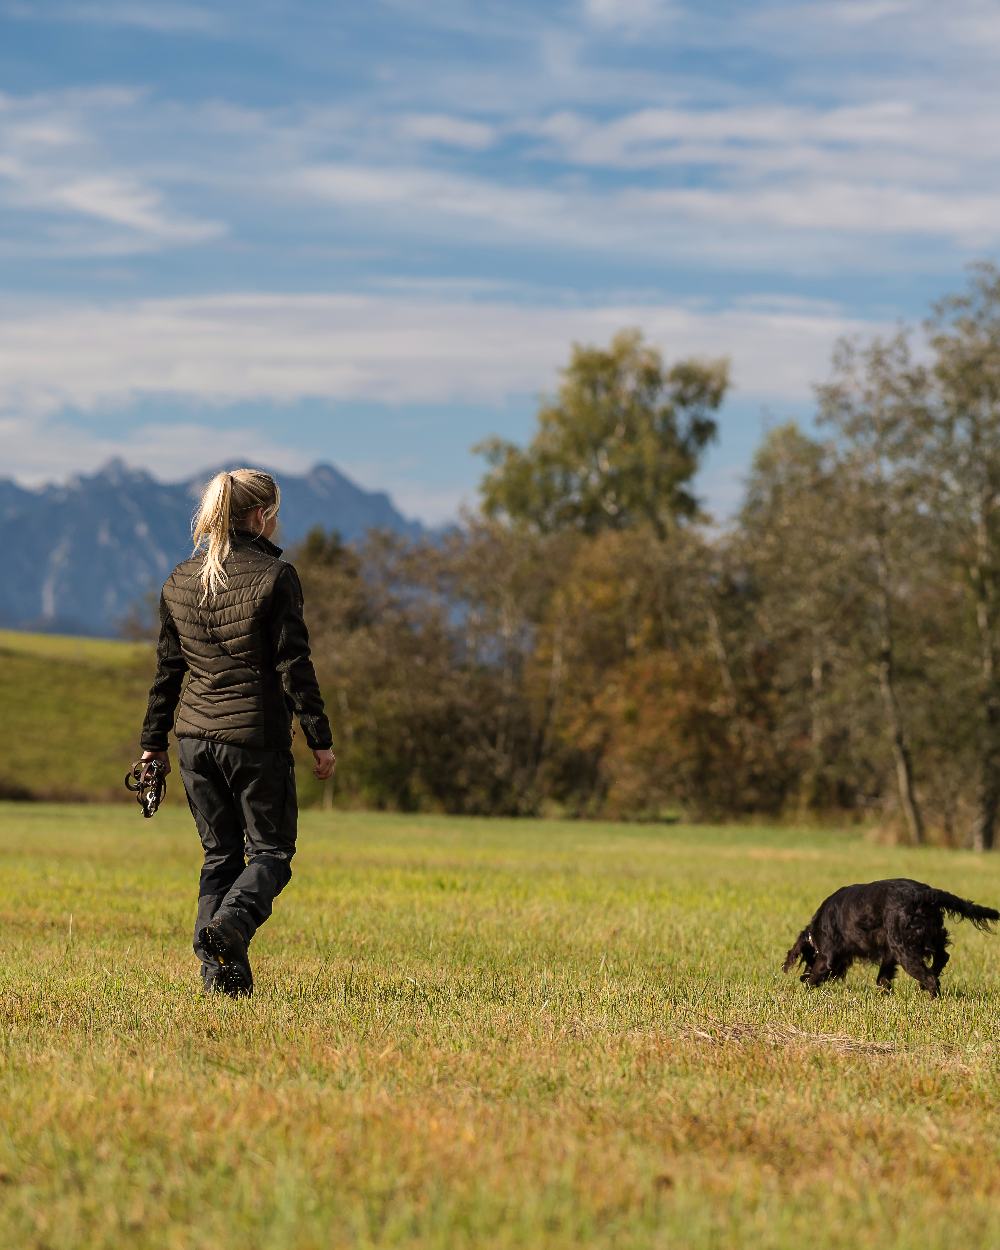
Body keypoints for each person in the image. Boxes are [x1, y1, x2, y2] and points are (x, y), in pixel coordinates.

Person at [137, 468, 336, 997]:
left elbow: (167, 673)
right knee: (271, 854)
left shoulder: (180, 578)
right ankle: (229, 928)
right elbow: (294, 664)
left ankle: (221, 984)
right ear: (259, 516)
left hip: (193, 741)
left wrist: (152, 744)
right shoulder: (276, 576)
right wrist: (319, 736)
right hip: (253, 739)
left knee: (219, 858)